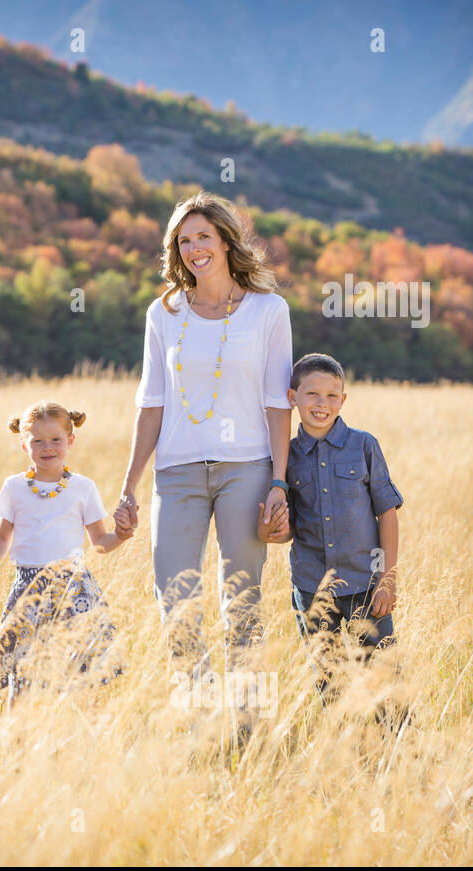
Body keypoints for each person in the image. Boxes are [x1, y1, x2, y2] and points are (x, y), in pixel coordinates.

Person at [116, 191, 293, 682]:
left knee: (242, 603)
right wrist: (129, 485)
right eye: (184, 239)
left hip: (248, 470)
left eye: (204, 237)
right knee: (174, 599)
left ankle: (245, 730)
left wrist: (279, 482)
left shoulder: (268, 310)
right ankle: (198, 724)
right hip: (176, 473)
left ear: (226, 240)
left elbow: (278, 403)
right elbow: (151, 403)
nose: (195, 248)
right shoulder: (164, 314)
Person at [258, 352, 402, 699]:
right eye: (312, 394)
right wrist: (269, 533)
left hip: (367, 587)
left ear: (343, 400)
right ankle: (346, 752)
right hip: (312, 590)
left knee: (386, 685)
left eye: (331, 396)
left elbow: (388, 515)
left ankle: (398, 751)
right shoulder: (285, 456)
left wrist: (387, 581)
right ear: (292, 398)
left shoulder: (364, 446)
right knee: (331, 687)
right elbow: (287, 527)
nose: (322, 404)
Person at [0, 402, 132, 698]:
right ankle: (17, 737)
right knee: (21, 673)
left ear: (71, 441)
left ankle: (83, 735)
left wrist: (120, 535)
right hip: (28, 587)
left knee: (83, 671)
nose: (47, 447)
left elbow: (100, 543)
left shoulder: (83, 487)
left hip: (74, 588)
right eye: (37, 441)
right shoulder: (14, 487)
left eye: (55, 440)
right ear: (23, 444)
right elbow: (2, 540)